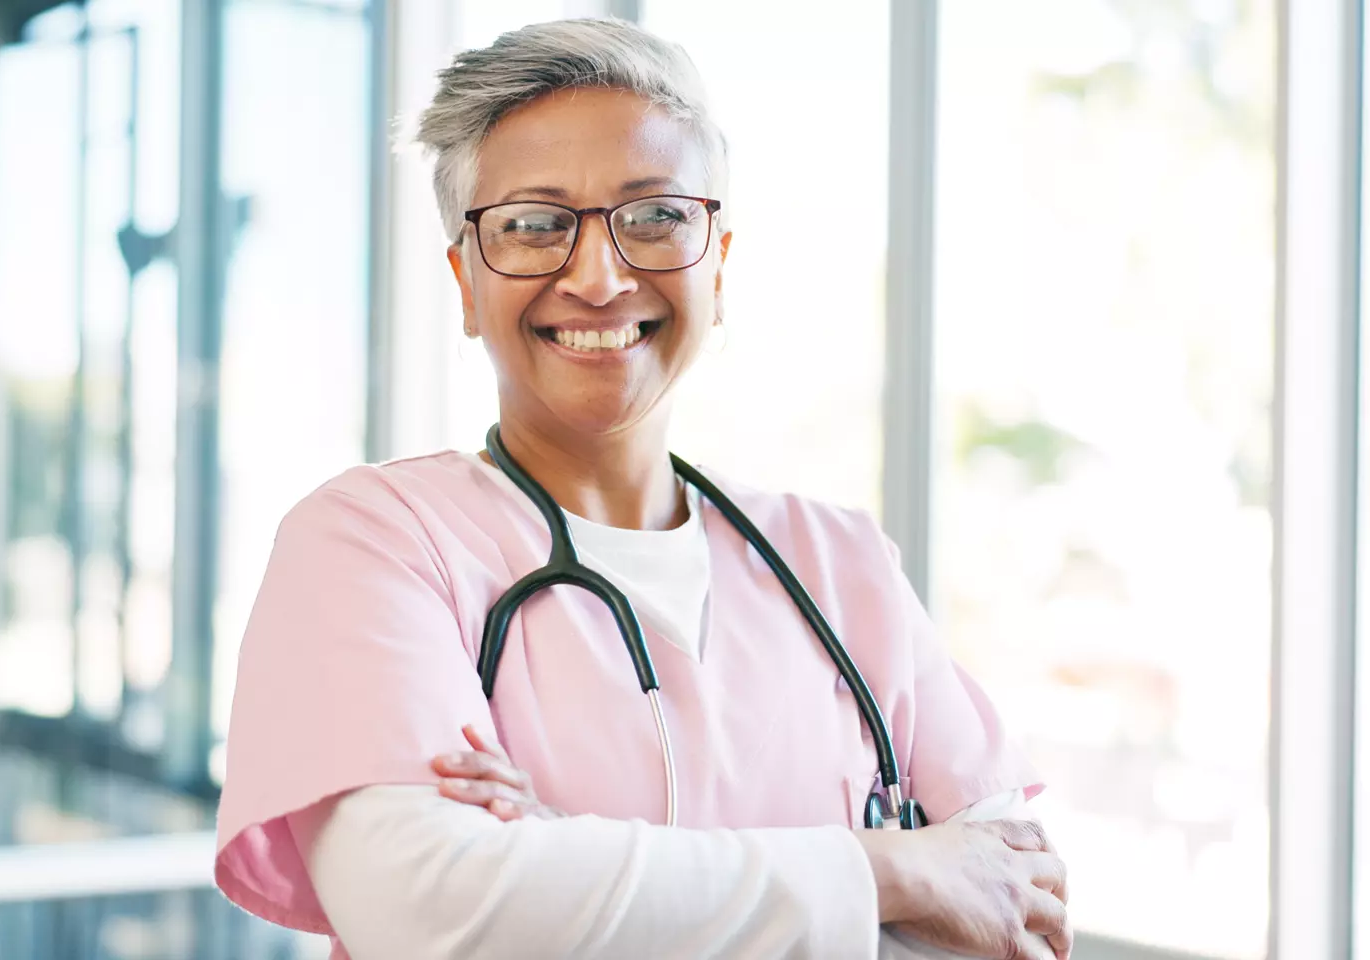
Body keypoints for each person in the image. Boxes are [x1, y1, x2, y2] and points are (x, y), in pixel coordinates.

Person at [215, 17, 1069, 960]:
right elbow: (431, 910)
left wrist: (558, 873)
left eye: (656, 216)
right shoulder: (371, 543)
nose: (597, 276)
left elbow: (1018, 907)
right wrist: (890, 874)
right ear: (464, 282)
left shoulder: (841, 563)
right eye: (534, 225)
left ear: (718, 265)